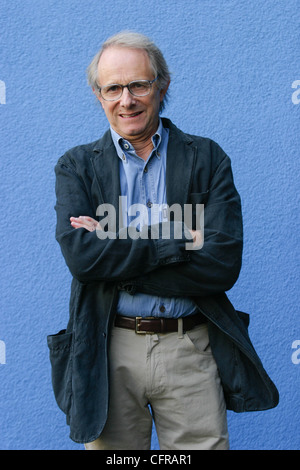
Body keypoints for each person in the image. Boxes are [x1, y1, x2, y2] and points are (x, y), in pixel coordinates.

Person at [47, 31, 279, 450]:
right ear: (98, 95)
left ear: (162, 86)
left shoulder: (207, 159)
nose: (127, 100)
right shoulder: (77, 166)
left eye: (138, 85)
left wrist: (115, 250)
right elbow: (83, 259)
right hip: (108, 348)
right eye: (113, 88)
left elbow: (221, 264)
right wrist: (177, 242)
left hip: (188, 346)